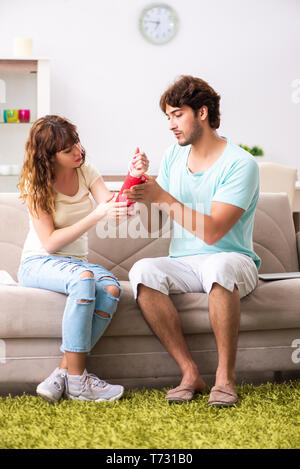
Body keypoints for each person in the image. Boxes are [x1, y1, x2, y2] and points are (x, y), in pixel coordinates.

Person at [126, 75, 260, 406]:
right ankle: (190, 373)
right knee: (143, 271)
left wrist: (162, 195)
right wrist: (144, 188)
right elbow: (158, 221)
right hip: (184, 262)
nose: (171, 124)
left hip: (232, 258)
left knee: (219, 264)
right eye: (168, 117)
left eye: (177, 114)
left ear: (202, 112)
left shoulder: (240, 164)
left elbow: (214, 231)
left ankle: (225, 379)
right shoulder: (174, 156)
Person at [17, 115, 148, 403]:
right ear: (48, 157)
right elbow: (50, 243)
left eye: (76, 142)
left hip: (76, 263)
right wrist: (96, 215)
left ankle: (63, 373)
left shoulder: (85, 169)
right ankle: (78, 381)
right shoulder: (36, 184)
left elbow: (116, 209)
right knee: (84, 279)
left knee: (112, 288)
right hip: (39, 263)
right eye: (67, 150)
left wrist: (133, 176)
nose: (77, 151)